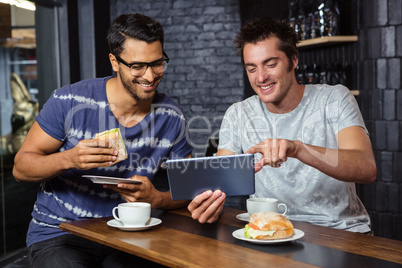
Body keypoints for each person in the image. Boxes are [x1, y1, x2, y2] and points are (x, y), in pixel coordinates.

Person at [13, 13, 192, 267]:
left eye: (157, 63)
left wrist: (157, 198)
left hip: (128, 234)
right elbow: (20, 168)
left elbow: (191, 189)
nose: (150, 76)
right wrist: (68, 158)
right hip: (61, 234)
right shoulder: (68, 100)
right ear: (114, 62)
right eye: (138, 66)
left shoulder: (171, 115)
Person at [188, 17, 377, 233]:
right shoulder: (238, 113)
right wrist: (209, 201)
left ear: (293, 60)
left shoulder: (334, 99)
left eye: (270, 64)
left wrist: (298, 149)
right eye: (251, 68)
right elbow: (219, 177)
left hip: (339, 231)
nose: (261, 77)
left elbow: (366, 168)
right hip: (270, 232)